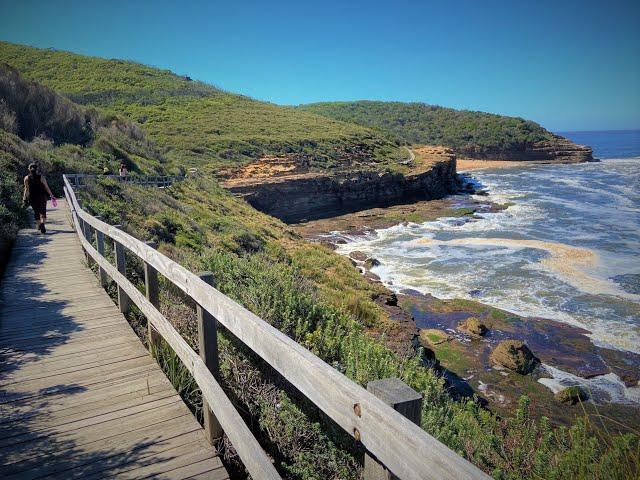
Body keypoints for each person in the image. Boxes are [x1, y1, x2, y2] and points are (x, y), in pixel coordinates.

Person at [23, 163, 54, 234]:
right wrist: (51, 195)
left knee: (36, 212)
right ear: (37, 169)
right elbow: (46, 187)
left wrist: (24, 198)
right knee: (43, 211)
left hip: (32, 198)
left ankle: (39, 224)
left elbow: (26, 189)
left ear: (29, 169)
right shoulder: (41, 177)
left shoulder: (26, 178)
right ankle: (42, 224)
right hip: (42, 197)